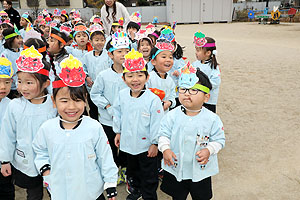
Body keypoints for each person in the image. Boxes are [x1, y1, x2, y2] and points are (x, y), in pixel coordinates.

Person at [32, 55, 118, 200]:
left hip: (91, 191)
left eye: (77, 100)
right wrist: (46, 170)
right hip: (60, 190)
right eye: (64, 101)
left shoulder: (93, 126)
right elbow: (40, 150)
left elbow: (105, 156)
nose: (71, 107)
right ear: (54, 101)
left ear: (85, 99)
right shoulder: (47, 128)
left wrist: (110, 183)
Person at [158, 62, 225, 200]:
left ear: (206, 97)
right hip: (177, 167)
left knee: (201, 197)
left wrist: (209, 150)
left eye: (193, 90)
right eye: (183, 89)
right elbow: (163, 134)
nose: (187, 94)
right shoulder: (172, 115)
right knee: (177, 196)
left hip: (201, 171)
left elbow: (219, 140)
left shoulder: (212, 119)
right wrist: (165, 149)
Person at [0, 45, 56, 200]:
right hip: (27, 160)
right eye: (19, 81)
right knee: (34, 193)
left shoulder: (54, 104)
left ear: (46, 83)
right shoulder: (15, 105)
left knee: (57, 191)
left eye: (29, 83)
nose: (23, 88)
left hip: (53, 160)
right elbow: (7, 134)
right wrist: (5, 160)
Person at [113, 48, 163, 200]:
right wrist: (118, 132)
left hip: (147, 147)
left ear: (147, 77)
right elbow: (118, 114)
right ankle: (135, 190)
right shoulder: (122, 95)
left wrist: (155, 143)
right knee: (132, 171)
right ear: (124, 78)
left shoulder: (153, 99)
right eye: (130, 75)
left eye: (140, 75)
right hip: (128, 144)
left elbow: (157, 123)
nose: (135, 79)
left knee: (149, 175)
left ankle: (149, 195)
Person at [90, 30, 129, 185]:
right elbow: (95, 94)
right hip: (107, 120)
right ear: (110, 55)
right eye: (119, 51)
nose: (124, 54)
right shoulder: (103, 75)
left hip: (127, 120)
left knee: (126, 146)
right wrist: (107, 105)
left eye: (127, 51)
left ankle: (125, 168)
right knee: (111, 147)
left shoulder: (133, 74)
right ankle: (113, 169)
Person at [82, 24, 111, 120]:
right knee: (93, 110)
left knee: (105, 109)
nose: (100, 42)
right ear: (91, 42)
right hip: (92, 87)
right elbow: (83, 69)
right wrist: (87, 77)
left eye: (102, 40)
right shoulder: (87, 56)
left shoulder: (108, 55)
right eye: (96, 40)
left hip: (106, 88)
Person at [147, 30, 176, 113]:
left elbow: (172, 96)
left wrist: (170, 102)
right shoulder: (149, 78)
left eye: (170, 57)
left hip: (165, 114)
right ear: (153, 61)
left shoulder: (170, 80)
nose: (168, 60)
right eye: (163, 57)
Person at [192, 31, 221, 113]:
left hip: (209, 101)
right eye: (196, 50)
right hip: (197, 98)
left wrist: (201, 85)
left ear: (208, 53)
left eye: (198, 50)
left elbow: (215, 83)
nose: (196, 53)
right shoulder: (195, 63)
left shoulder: (213, 67)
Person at [0, 57, 14, 200]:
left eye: (7, 82)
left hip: (5, 162)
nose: (3, 87)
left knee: (6, 191)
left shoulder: (12, 106)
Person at [1, 27, 22, 99]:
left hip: (22, 85)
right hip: (12, 88)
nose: (20, 40)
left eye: (20, 37)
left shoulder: (22, 51)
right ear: (10, 40)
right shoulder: (5, 54)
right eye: (17, 38)